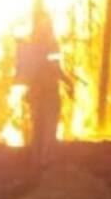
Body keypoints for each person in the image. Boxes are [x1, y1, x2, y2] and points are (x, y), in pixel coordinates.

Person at [18, 12, 72, 169]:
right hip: (48, 94)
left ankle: (35, 161)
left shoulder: (32, 45)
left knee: (37, 128)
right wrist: (68, 82)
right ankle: (45, 162)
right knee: (48, 128)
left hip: (35, 94)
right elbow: (55, 69)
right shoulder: (51, 45)